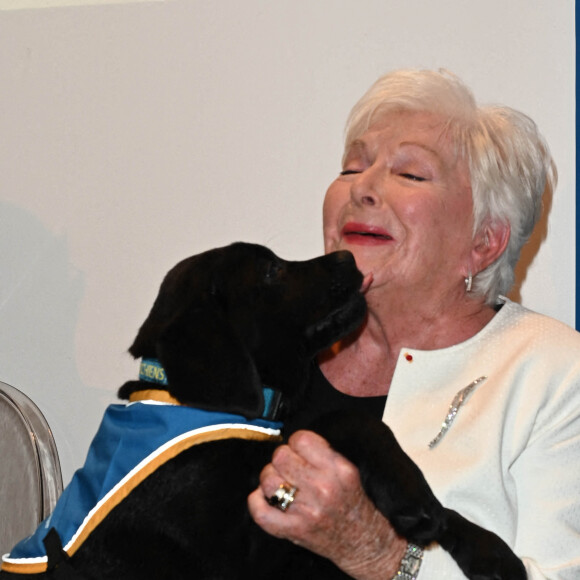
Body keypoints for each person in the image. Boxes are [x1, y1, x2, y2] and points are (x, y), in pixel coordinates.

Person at [247, 69, 580, 579]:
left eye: (410, 175)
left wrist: (381, 555)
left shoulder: (554, 374)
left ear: (483, 242)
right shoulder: (261, 349)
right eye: (352, 167)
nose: (362, 188)